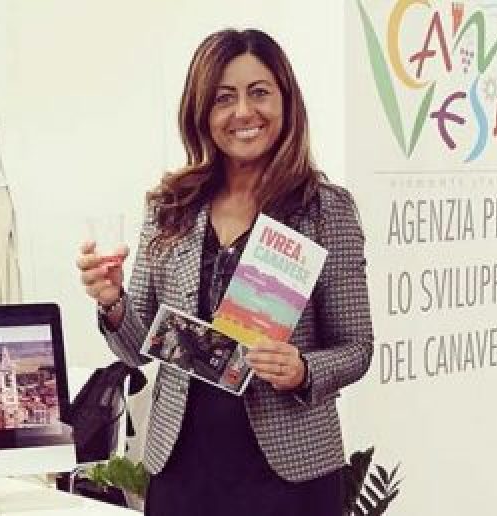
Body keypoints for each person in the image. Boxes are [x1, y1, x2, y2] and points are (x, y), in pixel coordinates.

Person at [77, 28, 373, 516]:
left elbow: (356, 347)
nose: (243, 112)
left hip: (290, 475)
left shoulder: (325, 212)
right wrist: (112, 302)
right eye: (223, 98)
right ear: (201, 112)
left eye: (259, 92)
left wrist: (303, 370)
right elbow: (136, 349)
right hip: (183, 470)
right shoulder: (171, 208)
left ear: (286, 101)